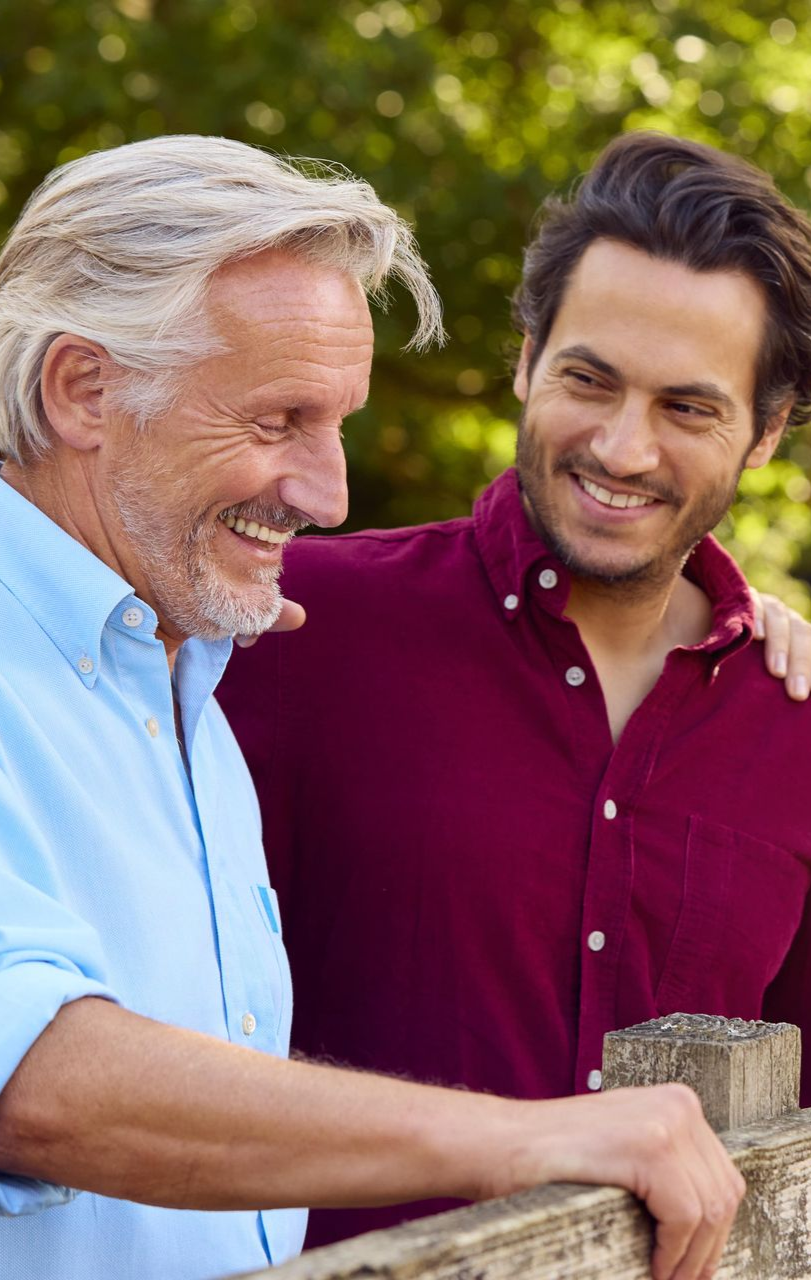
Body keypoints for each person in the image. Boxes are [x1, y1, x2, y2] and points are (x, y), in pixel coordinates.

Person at [0, 135, 748, 1280]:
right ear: (83, 389)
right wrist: (522, 1133)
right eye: (274, 421)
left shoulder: (190, 662)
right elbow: (34, 1079)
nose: (328, 488)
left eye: (336, 421)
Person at [218, 131, 811, 1248]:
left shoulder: (793, 721)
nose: (620, 445)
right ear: (525, 361)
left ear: (764, 431)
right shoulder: (296, 625)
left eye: (688, 408)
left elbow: (810, 1118)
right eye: (588, 378)